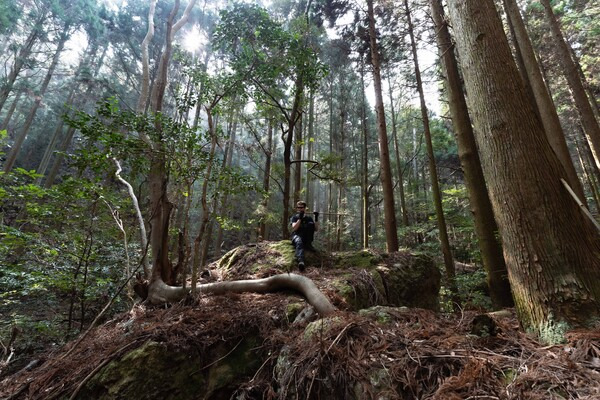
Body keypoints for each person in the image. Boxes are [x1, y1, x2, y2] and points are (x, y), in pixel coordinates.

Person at [290, 201, 319, 271]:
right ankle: (301, 262)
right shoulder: (294, 217)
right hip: (296, 236)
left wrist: (316, 218)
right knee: (299, 242)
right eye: (298, 207)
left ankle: (308, 245)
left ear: (305, 208)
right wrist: (300, 218)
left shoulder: (309, 218)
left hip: (307, 238)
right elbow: (294, 228)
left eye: (301, 207)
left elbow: (316, 229)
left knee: (310, 225)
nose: (299, 209)